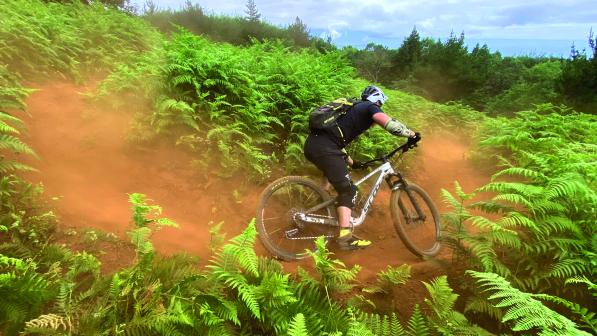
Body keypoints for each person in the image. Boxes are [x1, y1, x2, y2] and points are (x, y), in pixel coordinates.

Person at [303, 85, 419, 250]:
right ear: (378, 101)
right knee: (349, 190)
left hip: (314, 145)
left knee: (335, 177)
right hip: (326, 149)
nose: (380, 108)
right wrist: (411, 134)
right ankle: (345, 237)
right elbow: (389, 124)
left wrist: (352, 162)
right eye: (380, 105)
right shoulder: (370, 107)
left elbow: (335, 140)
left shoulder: (352, 109)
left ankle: (320, 204)